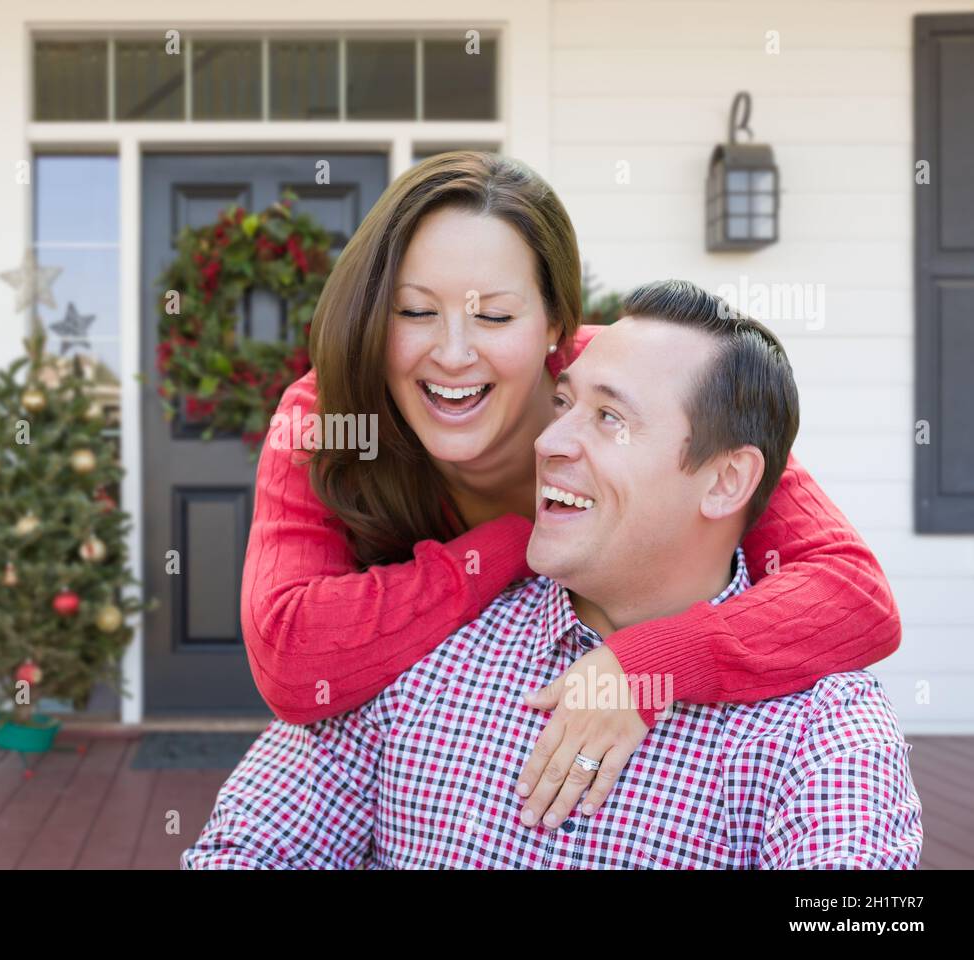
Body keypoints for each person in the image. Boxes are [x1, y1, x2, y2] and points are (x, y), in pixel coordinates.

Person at [242, 151, 900, 828]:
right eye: (414, 312)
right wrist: (508, 545)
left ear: (555, 324)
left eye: (495, 317)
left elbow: (852, 594)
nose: (454, 353)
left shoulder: (623, 383)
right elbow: (291, 656)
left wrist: (649, 664)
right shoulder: (330, 420)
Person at [185, 280, 922, 869]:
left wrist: (652, 666)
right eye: (565, 403)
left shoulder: (824, 730)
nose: (548, 439)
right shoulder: (426, 645)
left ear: (727, 482)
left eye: (609, 419)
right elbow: (242, 851)